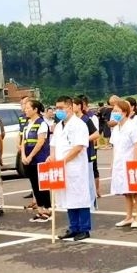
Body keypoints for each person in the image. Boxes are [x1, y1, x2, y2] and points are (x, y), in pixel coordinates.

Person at [51, 96, 94, 241]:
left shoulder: (79, 124)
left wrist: (63, 161)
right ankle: (73, 227)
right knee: (68, 198)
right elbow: (54, 145)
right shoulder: (58, 126)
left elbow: (78, 147)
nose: (58, 111)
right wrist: (52, 158)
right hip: (62, 168)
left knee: (80, 197)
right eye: (56, 108)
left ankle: (84, 228)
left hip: (75, 167)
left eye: (61, 108)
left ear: (69, 108)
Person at [110, 99, 137, 228]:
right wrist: (112, 163)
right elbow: (115, 148)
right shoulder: (116, 128)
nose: (114, 113)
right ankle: (129, 217)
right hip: (120, 163)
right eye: (113, 111)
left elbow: (136, 145)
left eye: (117, 111)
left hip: (130, 162)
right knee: (126, 192)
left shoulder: (132, 126)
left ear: (124, 112)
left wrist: (135, 163)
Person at [21, 100, 52, 223]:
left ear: (35, 110)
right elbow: (23, 141)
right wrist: (23, 155)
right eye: (25, 108)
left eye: (28, 108)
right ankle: (39, 210)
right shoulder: (27, 124)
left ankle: (47, 210)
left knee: (42, 185)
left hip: (39, 158)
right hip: (28, 159)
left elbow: (40, 142)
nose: (25, 110)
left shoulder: (42, 124)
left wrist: (31, 156)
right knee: (34, 184)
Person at [73, 96, 100, 208]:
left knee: (88, 180)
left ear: (79, 106)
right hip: (75, 155)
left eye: (73, 105)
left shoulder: (86, 119)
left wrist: (83, 140)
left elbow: (96, 134)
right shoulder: (71, 121)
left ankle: (92, 205)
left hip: (87, 154)